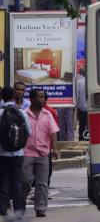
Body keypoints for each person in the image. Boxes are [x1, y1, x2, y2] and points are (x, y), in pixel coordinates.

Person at [23, 90, 60, 218]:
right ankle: (20, 204)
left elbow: (53, 132)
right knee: (26, 180)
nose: (42, 99)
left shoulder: (47, 114)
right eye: (39, 97)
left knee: (42, 183)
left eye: (43, 97)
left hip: (43, 153)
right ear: (32, 99)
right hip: (27, 152)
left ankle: (41, 208)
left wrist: (55, 149)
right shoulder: (24, 114)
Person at [0, 87, 31, 219]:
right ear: (14, 97)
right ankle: (19, 209)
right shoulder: (21, 113)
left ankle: (2, 208)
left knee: (2, 180)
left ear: (2, 97)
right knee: (17, 181)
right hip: (18, 153)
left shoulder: (0, 112)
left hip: (2, 153)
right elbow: (29, 132)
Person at [75, 68, 88, 141]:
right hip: (90, 108)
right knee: (89, 125)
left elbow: (77, 95)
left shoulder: (79, 82)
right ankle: (88, 138)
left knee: (82, 125)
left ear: (80, 73)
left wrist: (76, 105)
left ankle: (81, 139)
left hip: (82, 107)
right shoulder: (90, 81)